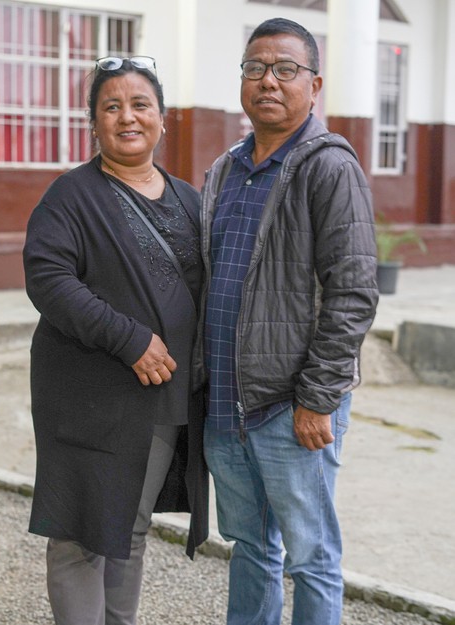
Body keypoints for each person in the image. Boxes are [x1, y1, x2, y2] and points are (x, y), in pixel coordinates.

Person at [194, 17, 379, 625]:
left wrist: (318, 399)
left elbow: (353, 292)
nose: (267, 81)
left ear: (314, 84)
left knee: (311, 557)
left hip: (292, 409)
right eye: (255, 68)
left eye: (285, 69)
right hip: (228, 405)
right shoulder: (224, 170)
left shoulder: (328, 166)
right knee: (250, 547)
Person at [23, 55, 208, 625]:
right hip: (89, 395)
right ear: (94, 123)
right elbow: (49, 280)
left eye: (140, 104)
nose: (128, 117)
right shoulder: (71, 196)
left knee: (129, 526)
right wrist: (129, 339)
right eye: (112, 107)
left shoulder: (189, 199)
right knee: (81, 533)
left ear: (162, 118)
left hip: (161, 397)